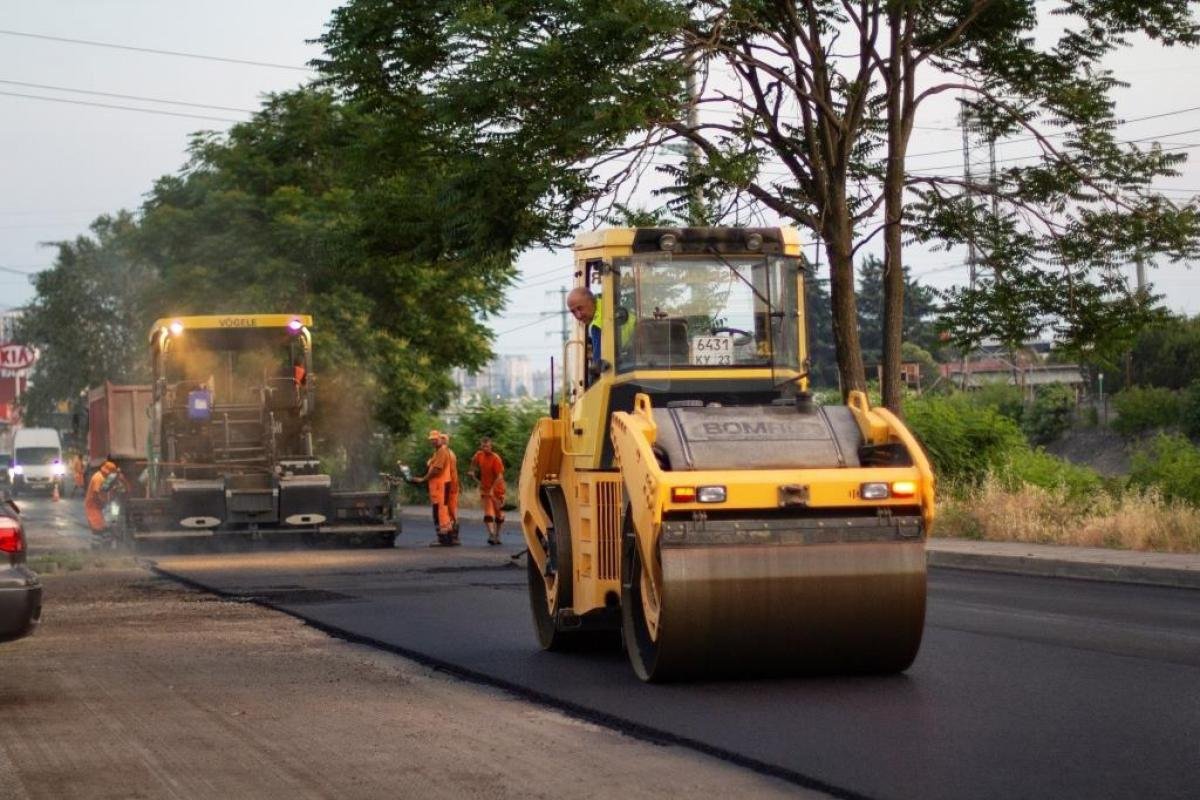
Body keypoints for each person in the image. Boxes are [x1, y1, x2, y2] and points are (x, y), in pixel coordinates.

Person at [409, 430, 457, 546]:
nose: (433, 441)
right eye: (431, 439)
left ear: (440, 439)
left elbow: (437, 470)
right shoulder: (438, 452)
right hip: (439, 487)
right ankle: (448, 538)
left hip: (442, 486)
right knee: (441, 512)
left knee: (440, 513)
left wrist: (423, 479)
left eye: (435, 439)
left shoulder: (442, 451)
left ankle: (444, 539)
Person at [469, 437, 506, 545]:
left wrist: (492, 489)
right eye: (483, 446)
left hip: (497, 490)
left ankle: (497, 535)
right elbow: (473, 462)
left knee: (499, 515)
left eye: (487, 446)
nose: (485, 448)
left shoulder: (496, 458)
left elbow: (499, 476)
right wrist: (472, 471)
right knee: (488, 514)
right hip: (485, 490)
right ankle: (491, 534)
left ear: (491, 446)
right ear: (481, 446)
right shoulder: (479, 455)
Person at [84, 460, 122, 544]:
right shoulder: (98, 477)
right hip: (93, 506)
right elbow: (97, 493)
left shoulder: (104, 477)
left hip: (100, 506)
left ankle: (104, 546)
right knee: (98, 528)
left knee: (105, 527)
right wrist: (106, 502)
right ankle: (98, 549)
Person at [439, 433, 460, 537]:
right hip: (449, 484)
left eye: (444, 438)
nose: (442, 440)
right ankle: (452, 532)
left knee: (450, 510)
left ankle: (453, 533)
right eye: (441, 438)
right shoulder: (446, 452)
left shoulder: (448, 453)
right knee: (449, 510)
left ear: (448, 441)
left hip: (451, 485)